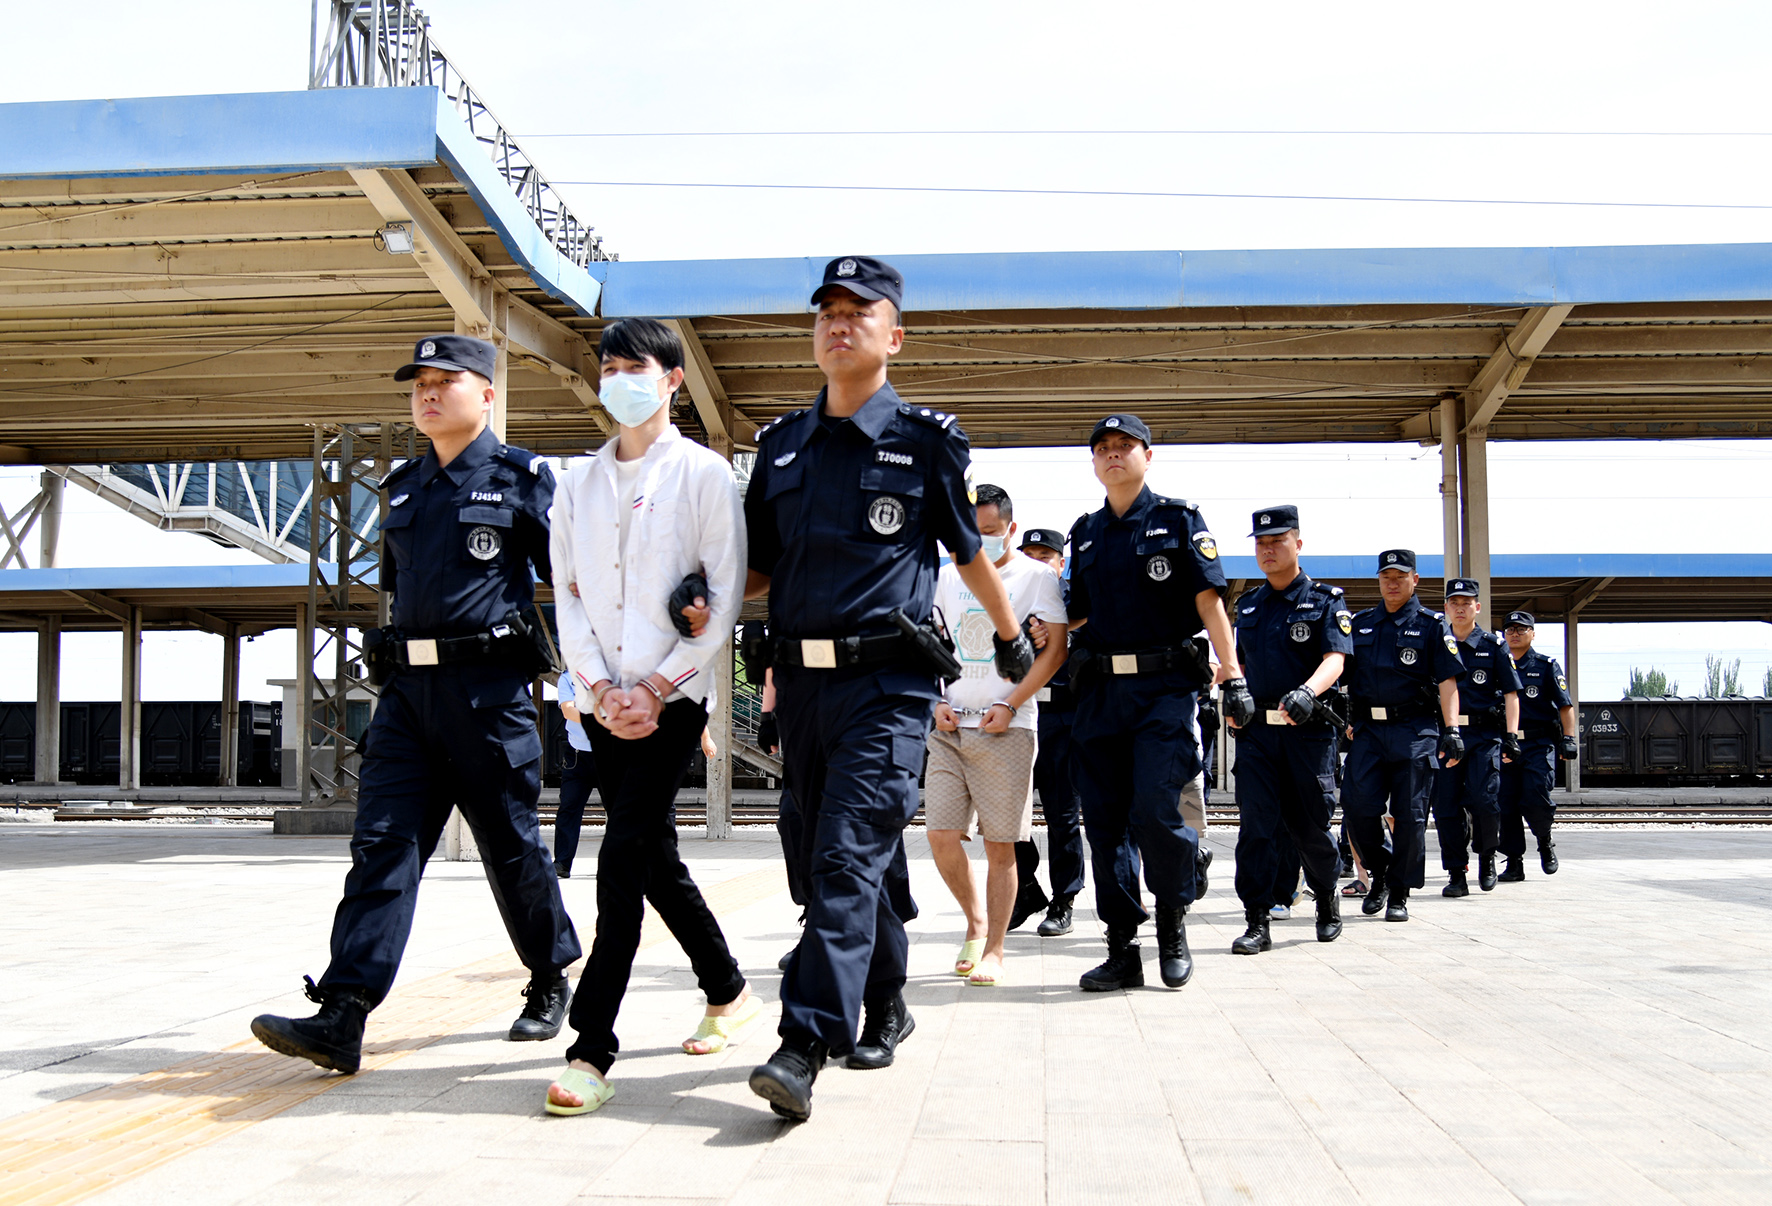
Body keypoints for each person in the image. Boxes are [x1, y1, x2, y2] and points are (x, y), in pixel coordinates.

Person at [741, 256, 1033, 1122]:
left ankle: (802, 1044)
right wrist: (689, 594)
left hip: (887, 688)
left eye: (858, 312)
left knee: (844, 855)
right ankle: (889, 999)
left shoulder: (927, 440)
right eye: (826, 312)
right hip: (803, 686)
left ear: (893, 336)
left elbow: (967, 553)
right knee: (824, 857)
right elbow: (755, 565)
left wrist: (1010, 638)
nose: (839, 324)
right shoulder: (779, 445)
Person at [250, 335, 581, 1074]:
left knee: (512, 848)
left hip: (487, 697)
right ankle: (343, 1012)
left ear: (486, 394)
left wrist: (587, 680)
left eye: (445, 381)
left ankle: (549, 973)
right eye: (418, 384)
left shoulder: (523, 479)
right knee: (381, 847)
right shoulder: (402, 488)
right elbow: (398, 591)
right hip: (407, 699)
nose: (427, 393)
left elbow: (572, 583)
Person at [543, 317, 758, 1117]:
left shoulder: (704, 474)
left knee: (621, 858)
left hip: (673, 699)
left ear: (672, 379)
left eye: (634, 366)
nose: (617, 380)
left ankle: (591, 1047)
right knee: (654, 857)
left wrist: (658, 687)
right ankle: (727, 988)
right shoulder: (575, 483)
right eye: (608, 367)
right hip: (607, 703)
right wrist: (601, 688)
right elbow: (566, 597)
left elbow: (724, 595)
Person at [1066, 414, 1244, 992]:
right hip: (1099, 693)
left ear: (1147, 455)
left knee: (1158, 810)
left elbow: (1209, 601)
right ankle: (1122, 948)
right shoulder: (1085, 533)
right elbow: (1074, 612)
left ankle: (1172, 925)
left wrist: (1232, 674)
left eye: (1125, 446)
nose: (1113, 454)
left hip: (1163, 691)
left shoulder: (1178, 519)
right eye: (1103, 448)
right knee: (1104, 823)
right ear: (1094, 462)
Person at [926, 485, 1069, 986]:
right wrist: (935, 700)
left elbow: (1055, 651)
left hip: (1006, 725)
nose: (979, 541)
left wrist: (1010, 704)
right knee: (940, 835)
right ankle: (975, 921)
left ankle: (995, 950)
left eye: (990, 531)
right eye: (971, 533)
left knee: (1000, 845)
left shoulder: (1036, 576)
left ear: (1011, 528)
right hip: (949, 726)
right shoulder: (943, 576)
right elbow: (929, 643)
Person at [1224, 505, 1353, 954]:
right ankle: (1256, 920)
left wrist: (1308, 691)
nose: (1268, 550)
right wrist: (1232, 694)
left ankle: (1326, 895)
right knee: (1256, 827)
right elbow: (1238, 663)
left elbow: (1335, 659)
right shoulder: (1249, 604)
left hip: (1307, 734)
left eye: (1277, 541)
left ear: (1298, 544)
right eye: (1261, 543)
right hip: (1258, 735)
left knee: (1309, 827)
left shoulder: (1326, 600)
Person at [1341, 549, 1466, 923]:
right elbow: (1341, 672)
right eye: (1386, 577)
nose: (1392, 584)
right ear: (1379, 581)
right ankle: (1381, 870)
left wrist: (1452, 729)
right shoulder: (1361, 623)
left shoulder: (1432, 625)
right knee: (1357, 806)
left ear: (1415, 580)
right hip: (1368, 730)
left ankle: (1399, 891)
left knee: (1410, 815)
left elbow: (1447, 681)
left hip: (1414, 730)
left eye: (1400, 577)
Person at [1014, 527, 1087, 938]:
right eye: (1029, 555)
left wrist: (1063, 635)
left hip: (1062, 717)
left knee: (1062, 815)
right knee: (1006, 814)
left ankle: (1064, 899)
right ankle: (1025, 888)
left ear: (1062, 563)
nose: (1036, 563)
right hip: (1017, 715)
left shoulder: (1079, 604)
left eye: (1045, 556)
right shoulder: (1007, 597)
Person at [1432, 579, 1522, 897]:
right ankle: (1456, 872)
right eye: (1454, 602)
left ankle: (1486, 856)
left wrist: (1511, 737)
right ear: (1446, 607)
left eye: (1466, 603)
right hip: (1446, 736)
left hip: (1484, 735)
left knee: (1486, 801)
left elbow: (1511, 693)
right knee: (1445, 806)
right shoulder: (1435, 641)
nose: (1460, 608)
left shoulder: (1493, 645)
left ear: (1477, 607)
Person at [1497, 611, 1577, 881]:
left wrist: (1569, 739)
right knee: (1505, 804)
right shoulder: (1497, 664)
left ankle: (1544, 840)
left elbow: (1565, 705)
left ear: (1532, 633)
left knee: (1536, 796)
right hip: (1505, 745)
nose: (1515, 634)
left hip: (1537, 743)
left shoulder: (1545, 665)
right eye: (1510, 629)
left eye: (1521, 629)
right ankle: (1513, 862)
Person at [551, 674, 598, 879]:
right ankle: (562, 863)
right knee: (568, 808)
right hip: (577, 755)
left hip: (610, 752)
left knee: (618, 810)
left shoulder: (613, 672)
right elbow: (568, 710)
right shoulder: (567, 678)